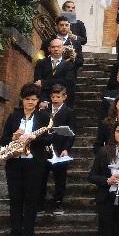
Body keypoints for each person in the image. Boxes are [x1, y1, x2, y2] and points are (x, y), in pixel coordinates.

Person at [0, 83, 51, 236]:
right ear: (22, 100)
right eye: (27, 99)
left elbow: (49, 140)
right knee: (15, 199)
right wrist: (14, 137)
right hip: (14, 162)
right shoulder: (14, 117)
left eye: (34, 99)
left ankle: (27, 235)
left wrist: (32, 138)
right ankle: (15, 235)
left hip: (34, 163)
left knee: (30, 200)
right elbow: (3, 141)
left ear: (38, 101)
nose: (30, 102)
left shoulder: (44, 117)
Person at [41, 84, 75, 215]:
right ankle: (40, 202)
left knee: (60, 178)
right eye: (53, 96)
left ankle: (58, 203)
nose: (55, 99)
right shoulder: (44, 111)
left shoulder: (69, 112)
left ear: (64, 97)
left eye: (58, 96)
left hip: (60, 149)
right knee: (42, 176)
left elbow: (72, 132)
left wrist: (67, 148)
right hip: (45, 148)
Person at [34, 38, 78, 104]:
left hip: (62, 100)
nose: (56, 49)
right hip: (43, 100)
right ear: (49, 49)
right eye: (53, 47)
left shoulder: (69, 65)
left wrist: (44, 83)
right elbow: (37, 83)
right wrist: (43, 101)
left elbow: (67, 82)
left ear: (63, 48)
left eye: (59, 47)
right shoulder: (41, 63)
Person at [60, 0, 89, 70]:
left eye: (73, 8)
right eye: (68, 7)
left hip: (73, 57)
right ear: (63, 9)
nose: (71, 9)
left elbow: (84, 40)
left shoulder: (79, 24)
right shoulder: (57, 23)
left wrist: (75, 37)